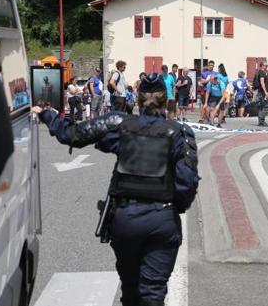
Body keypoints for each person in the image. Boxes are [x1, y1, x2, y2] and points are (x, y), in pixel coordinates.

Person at [32, 73, 200, 306]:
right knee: (153, 293)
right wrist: (173, 209)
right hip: (163, 217)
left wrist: (48, 115)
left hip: (126, 218)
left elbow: (73, 134)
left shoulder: (120, 124)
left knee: (130, 291)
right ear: (166, 100)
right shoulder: (179, 133)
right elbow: (187, 182)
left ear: (138, 100)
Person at [254, 61, 268, 126]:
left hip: (261, 92)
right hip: (262, 92)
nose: (266, 67)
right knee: (265, 106)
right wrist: (265, 92)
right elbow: (262, 82)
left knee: (261, 107)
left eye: (267, 66)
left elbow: (267, 81)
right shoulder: (262, 72)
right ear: (261, 66)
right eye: (265, 65)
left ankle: (260, 121)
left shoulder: (262, 72)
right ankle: (262, 121)